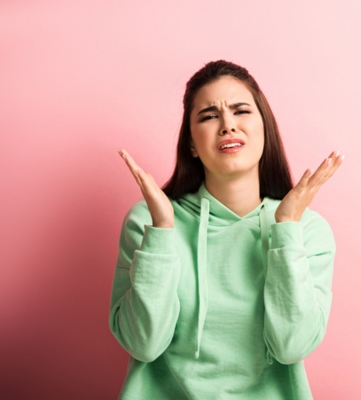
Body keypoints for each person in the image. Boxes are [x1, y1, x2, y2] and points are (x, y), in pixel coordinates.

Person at [109, 60, 343, 399]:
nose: (228, 125)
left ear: (265, 128)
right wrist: (161, 231)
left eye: (241, 111)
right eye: (209, 116)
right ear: (191, 143)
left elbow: (291, 347)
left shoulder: (307, 229)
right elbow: (143, 344)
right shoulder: (148, 221)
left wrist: (287, 229)